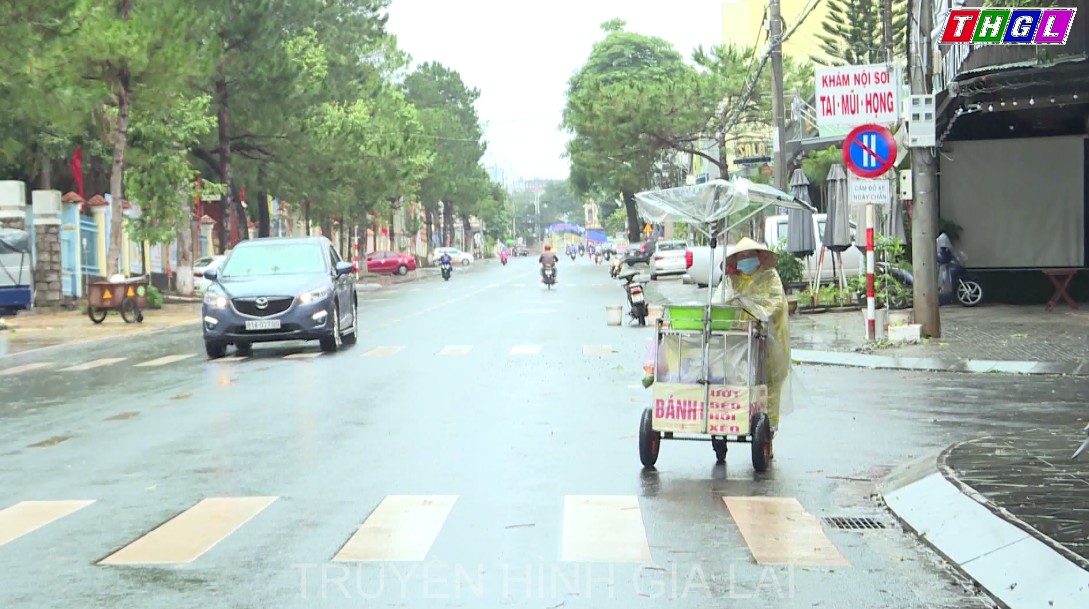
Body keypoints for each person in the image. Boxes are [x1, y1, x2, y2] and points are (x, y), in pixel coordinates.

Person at [715, 237, 790, 459]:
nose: (746, 260)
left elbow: (776, 303)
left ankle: (768, 438)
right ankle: (728, 427)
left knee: (769, 391)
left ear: (759, 257)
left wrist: (756, 312)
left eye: (750, 256)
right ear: (735, 260)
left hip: (768, 342)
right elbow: (717, 300)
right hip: (738, 342)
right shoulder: (730, 280)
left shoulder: (769, 277)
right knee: (734, 385)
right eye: (742, 256)